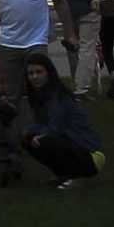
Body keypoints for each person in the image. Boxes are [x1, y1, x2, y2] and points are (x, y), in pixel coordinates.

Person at [16, 50, 103, 186]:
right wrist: (29, 132)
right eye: (31, 73)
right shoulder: (39, 97)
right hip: (69, 143)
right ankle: (63, 174)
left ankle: (76, 176)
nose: (34, 77)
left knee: (44, 140)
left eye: (39, 72)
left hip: (90, 153)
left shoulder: (59, 96)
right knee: (27, 139)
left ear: (49, 73)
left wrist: (33, 131)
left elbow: (56, 128)